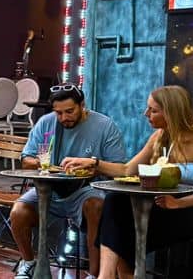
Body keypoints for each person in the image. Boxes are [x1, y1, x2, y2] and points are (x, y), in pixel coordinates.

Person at [59, 86, 193, 279]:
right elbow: (127, 170)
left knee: (130, 225)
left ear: (171, 112)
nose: (146, 114)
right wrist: (93, 163)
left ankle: (126, 275)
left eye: (153, 110)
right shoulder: (161, 136)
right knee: (115, 201)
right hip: (172, 203)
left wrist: (180, 203)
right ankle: (107, 275)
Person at [11, 84, 127, 279]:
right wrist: (43, 163)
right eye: (58, 113)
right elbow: (26, 159)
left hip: (85, 189)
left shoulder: (104, 125)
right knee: (18, 212)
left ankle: (94, 274)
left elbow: (119, 167)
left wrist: (93, 165)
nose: (64, 117)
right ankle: (29, 262)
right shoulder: (46, 123)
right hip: (49, 188)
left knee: (96, 206)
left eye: (69, 111)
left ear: (82, 105)